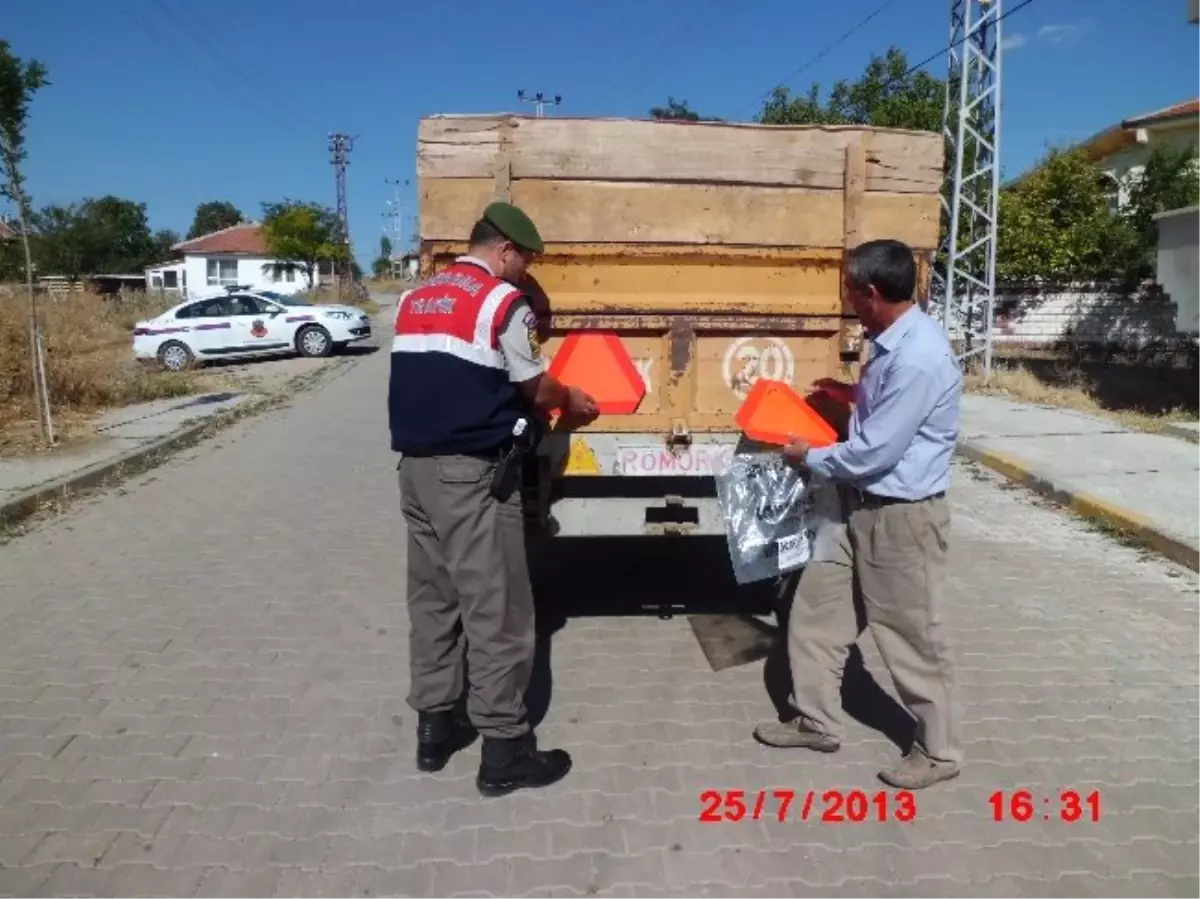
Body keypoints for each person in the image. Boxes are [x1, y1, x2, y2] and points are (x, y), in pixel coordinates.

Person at [389, 201, 599, 797]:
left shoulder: (415, 299)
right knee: (499, 611)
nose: (524, 273)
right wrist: (573, 401)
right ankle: (505, 752)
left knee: (433, 602)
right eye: (524, 260)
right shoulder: (498, 304)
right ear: (504, 249)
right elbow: (534, 385)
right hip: (472, 478)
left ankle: (435, 729)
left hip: (415, 474)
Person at [752, 238, 964, 791]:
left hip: (900, 518)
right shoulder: (892, 342)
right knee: (816, 613)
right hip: (856, 508)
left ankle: (938, 751)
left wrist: (806, 455)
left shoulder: (918, 356)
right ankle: (816, 719)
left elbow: (875, 453)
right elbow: (888, 417)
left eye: (850, 290)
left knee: (911, 637)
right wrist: (850, 393)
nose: (846, 299)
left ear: (871, 294)